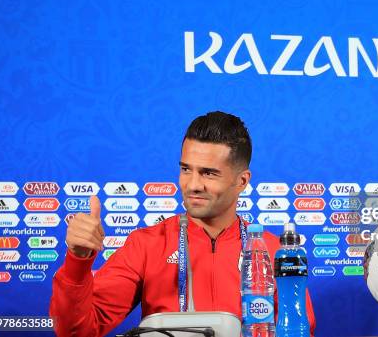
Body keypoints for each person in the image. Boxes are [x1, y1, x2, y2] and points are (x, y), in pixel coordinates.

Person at [50, 111, 316, 337]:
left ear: (242, 181)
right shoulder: (147, 244)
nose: (193, 185)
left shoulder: (273, 252)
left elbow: (301, 329)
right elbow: (77, 331)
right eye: (186, 169)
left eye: (209, 173)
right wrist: (78, 261)